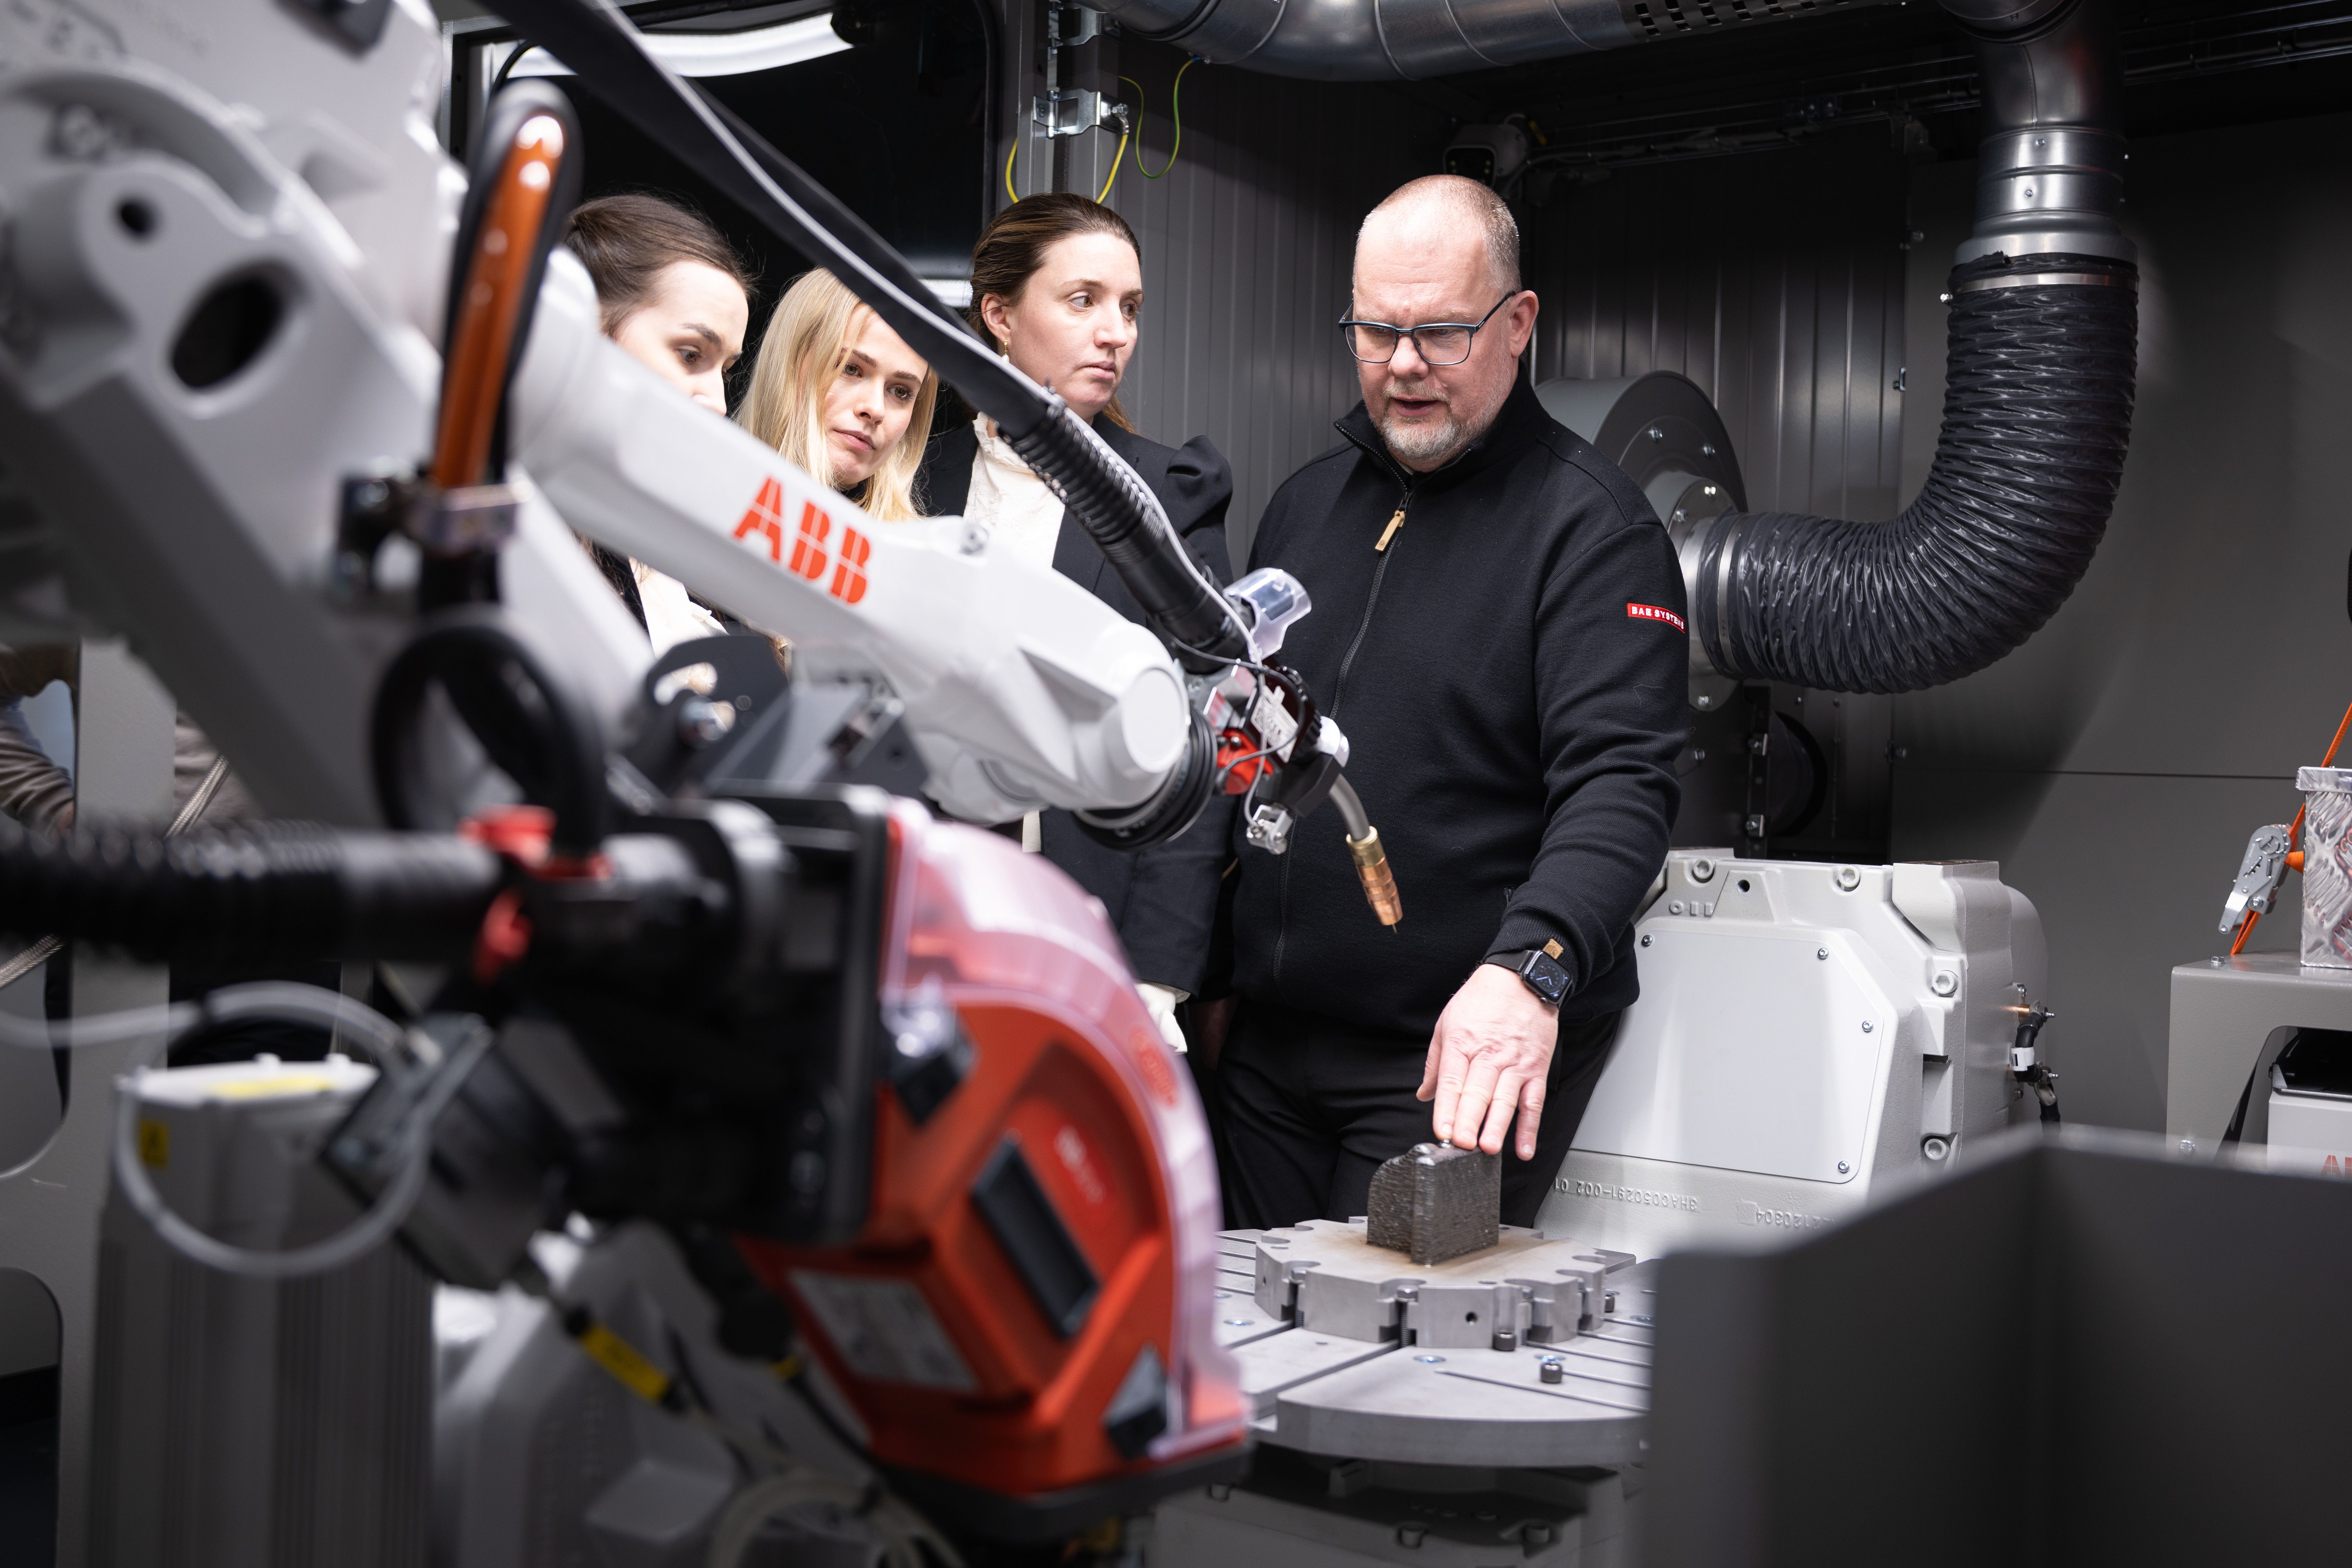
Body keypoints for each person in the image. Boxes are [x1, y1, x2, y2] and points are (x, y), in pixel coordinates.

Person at [1215, 175, 1688, 1229]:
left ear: (1518, 324)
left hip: (1455, 1053)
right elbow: (1250, 747)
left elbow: (1621, 785)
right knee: (1236, 1317)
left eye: (1440, 332)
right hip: (1272, 1048)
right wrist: (1203, 972)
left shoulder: (1594, 532)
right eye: (1375, 331)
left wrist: (1532, 970)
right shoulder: (1305, 507)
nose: (1403, 364)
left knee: (1382, 1327)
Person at [915, 194, 1233, 1054]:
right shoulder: (918, 478)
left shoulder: (1167, 496)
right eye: (1083, 300)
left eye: (1130, 308)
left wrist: (1155, 978)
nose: (1115, 333)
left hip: (1091, 924)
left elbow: (1200, 744)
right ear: (999, 315)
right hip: (929, 916)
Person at [562, 192, 756, 652]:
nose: (718, 403)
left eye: (726, 370)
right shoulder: (512, 527)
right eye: (691, 355)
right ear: (584, 329)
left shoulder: (673, 544)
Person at [737, 267, 938, 520]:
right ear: (789, 361)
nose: (876, 409)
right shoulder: (701, 492)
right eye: (850, 369)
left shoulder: (908, 544)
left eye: (901, 392)